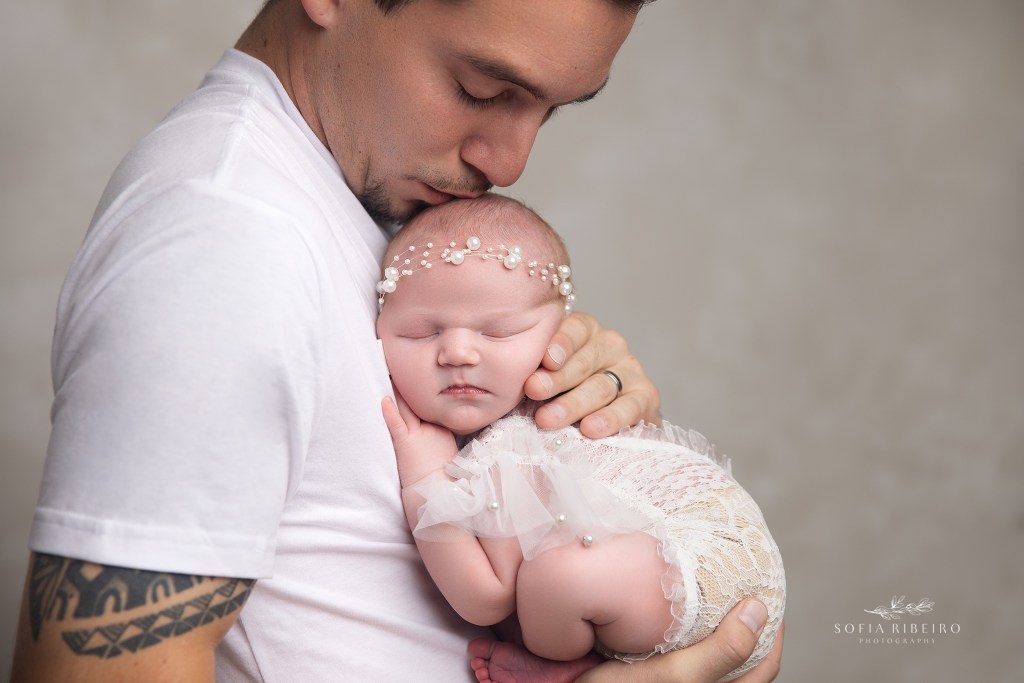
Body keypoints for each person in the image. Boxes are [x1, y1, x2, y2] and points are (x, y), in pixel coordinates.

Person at [12, 1, 782, 681]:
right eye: (482, 90)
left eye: (551, 110)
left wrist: (579, 417)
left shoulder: (370, 217)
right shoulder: (225, 236)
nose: (510, 161)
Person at [377, 194, 785, 683]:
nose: (458, 352)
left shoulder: (515, 446)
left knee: (557, 577)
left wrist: (425, 480)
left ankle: (561, 668)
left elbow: (484, 597)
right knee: (560, 575)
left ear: (562, 335)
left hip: (705, 566)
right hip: (713, 575)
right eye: (421, 333)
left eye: (500, 332)